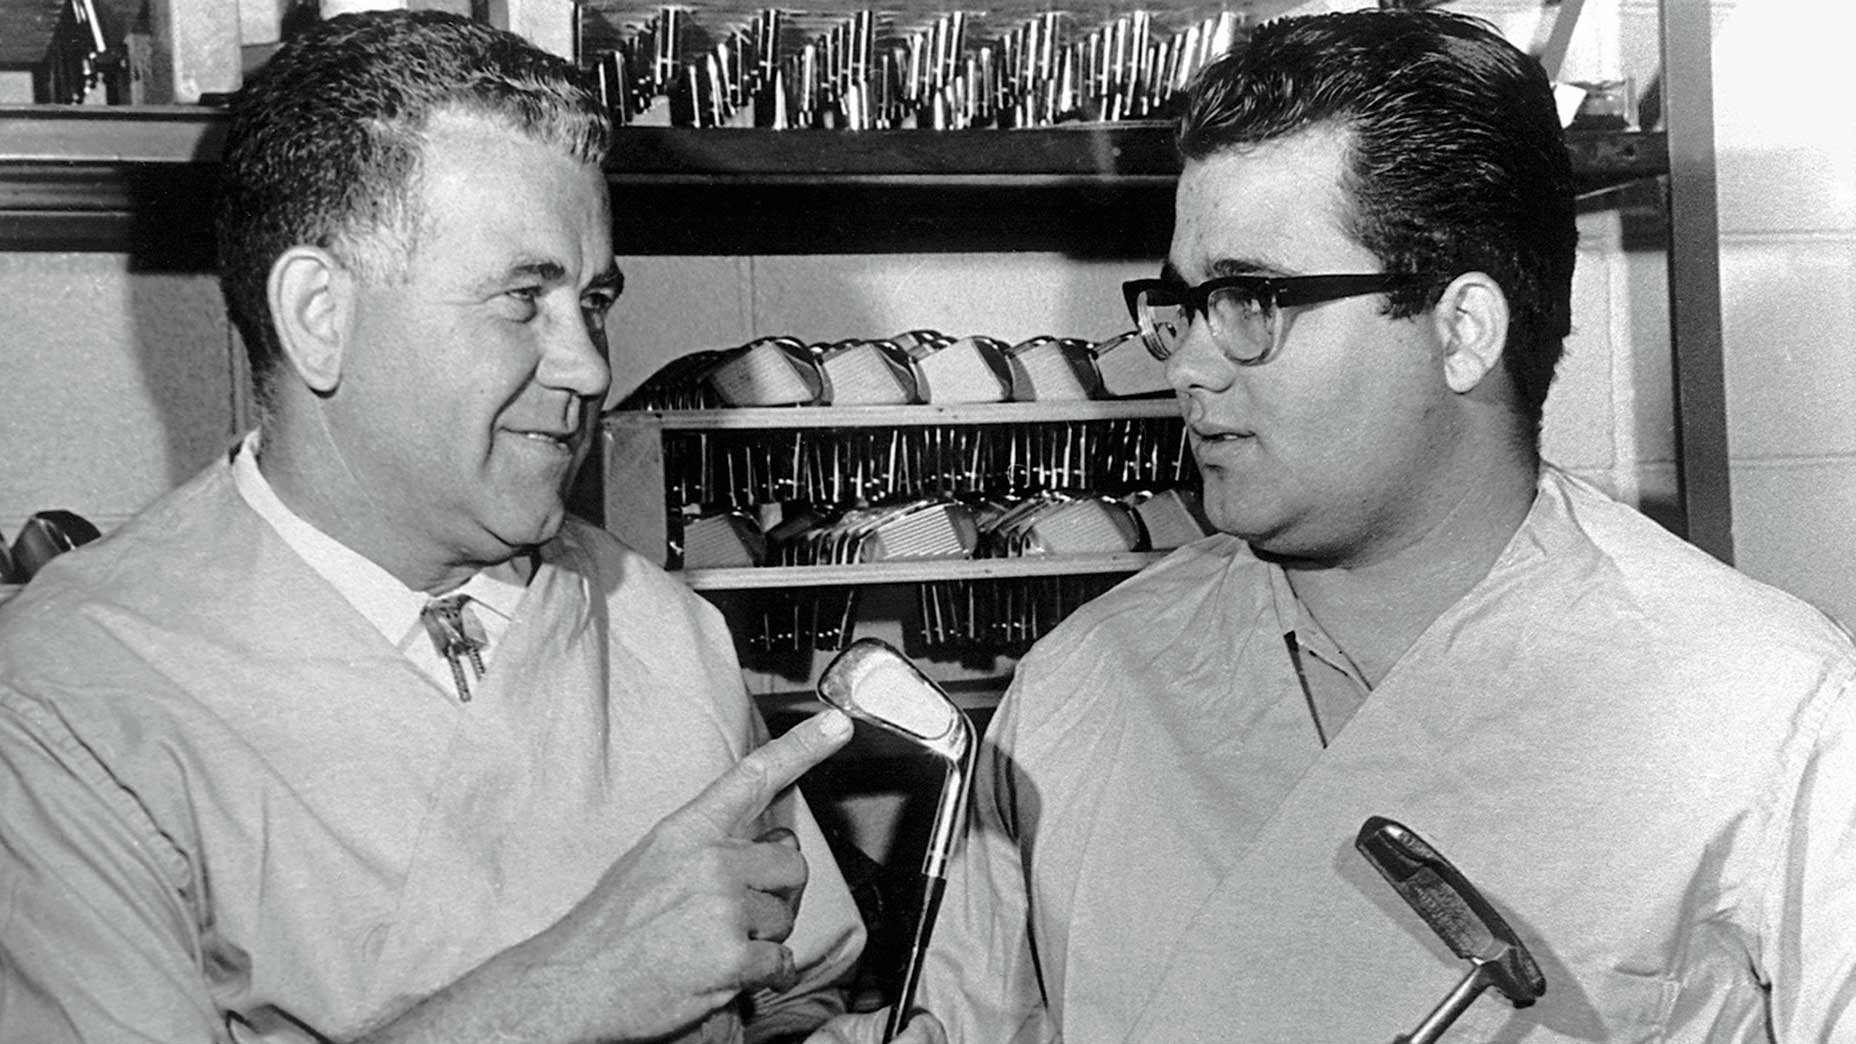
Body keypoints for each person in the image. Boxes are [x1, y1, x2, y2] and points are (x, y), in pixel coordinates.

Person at [813, 9, 1856, 1044]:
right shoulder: (1084, 682)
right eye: (1183, 304)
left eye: (1251, 300)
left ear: (1462, 330)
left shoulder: (1761, 703)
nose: (1188, 364)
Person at [0, 12, 922, 1043]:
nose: (589, 367)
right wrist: (565, 991)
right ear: (318, 315)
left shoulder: (662, 631)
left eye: (594, 302)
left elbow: (799, 998)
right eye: (522, 299)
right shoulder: (68, 700)